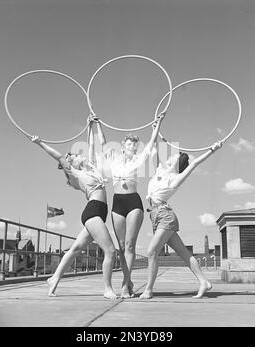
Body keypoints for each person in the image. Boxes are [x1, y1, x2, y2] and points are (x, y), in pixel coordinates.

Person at [31, 119, 118, 299]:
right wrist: (40, 143)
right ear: (72, 163)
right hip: (93, 211)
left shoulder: (90, 169)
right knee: (110, 251)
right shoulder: (76, 174)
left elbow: (91, 146)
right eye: (76, 155)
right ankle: (107, 289)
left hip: (99, 213)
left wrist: (90, 125)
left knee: (76, 248)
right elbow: (58, 157)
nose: (81, 155)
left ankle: (54, 278)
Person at [140, 141, 222, 299]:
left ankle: (148, 290)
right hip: (155, 216)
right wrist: (157, 124)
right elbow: (154, 148)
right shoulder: (159, 170)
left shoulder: (176, 178)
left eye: (173, 156)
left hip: (165, 217)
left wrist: (213, 148)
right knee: (184, 253)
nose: (169, 156)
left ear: (177, 163)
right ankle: (204, 281)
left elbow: (196, 162)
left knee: (151, 252)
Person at [102, 114, 165, 298]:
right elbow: (103, 141)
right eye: (129, 144)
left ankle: (124, 285)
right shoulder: (113, 159)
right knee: (121, 247)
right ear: (123, 146)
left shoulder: (138, 160)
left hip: (133, 202)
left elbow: (152, 143)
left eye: (135, 145)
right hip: (118, 203)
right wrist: (96, 124)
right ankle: (128, 280)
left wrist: (157, 124)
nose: (132, 147)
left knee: (130, 245)